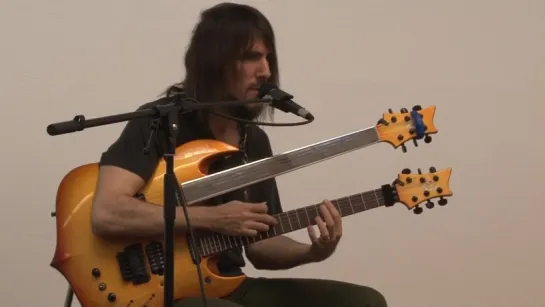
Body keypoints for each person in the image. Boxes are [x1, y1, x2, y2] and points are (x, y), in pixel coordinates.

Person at [90, 2, 387, 307]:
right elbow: (107, 213)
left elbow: (261, 245)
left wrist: (313, 252)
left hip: (227, 285)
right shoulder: (160, 123)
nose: (266, 71)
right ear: (214, 62)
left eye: (268, 57)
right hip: (163, 292)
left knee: (364, 302)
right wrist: (214, 218)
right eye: (251, 57)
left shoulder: (254, 141)